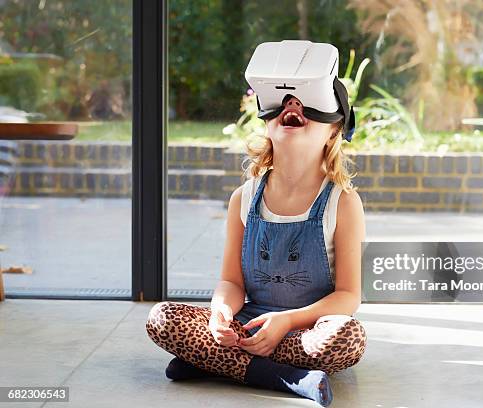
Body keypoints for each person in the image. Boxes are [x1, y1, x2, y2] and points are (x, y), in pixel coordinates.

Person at [146, 41, 367, 407]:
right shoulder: (243, 199)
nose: (292, 105)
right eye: (284, 101)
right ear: (267, 120)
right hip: (248, 324)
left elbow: (348, 297)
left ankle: (216, 364)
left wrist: (286, 321)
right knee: (162, 318)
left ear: (334, 129)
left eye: (304, 101)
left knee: (347, 337)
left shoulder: (343, 203)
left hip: (306, 329)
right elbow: (231, 282)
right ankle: (289, 378)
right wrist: (221, 312)